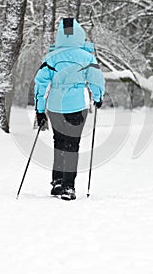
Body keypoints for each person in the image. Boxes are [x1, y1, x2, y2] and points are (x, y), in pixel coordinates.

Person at [34, 18, 105, 200]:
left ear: (60, 36)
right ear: (79, 35)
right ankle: (68, 186)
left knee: (59, 142)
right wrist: (98, 97)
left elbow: (40, 85)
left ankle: (57, 181)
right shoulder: (87, 57)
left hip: (55, 106)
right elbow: (96, 79)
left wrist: (40, 110)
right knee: (72, 144)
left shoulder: (51, 58)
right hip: (77, 105)